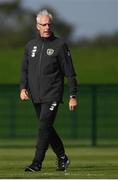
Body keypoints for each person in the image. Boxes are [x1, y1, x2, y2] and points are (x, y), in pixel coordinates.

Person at [20, 9, 78, 172]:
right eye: (43, 24)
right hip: (36, 96)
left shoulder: (60, 45)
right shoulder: (30, 45)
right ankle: (62, 157)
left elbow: (71, 73)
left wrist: (72, 95)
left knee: (43, 127)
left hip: (52, 94)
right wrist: (23, 87)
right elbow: (24, 69)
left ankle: (37, 163)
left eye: (49, 24)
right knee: (46, 128)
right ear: (37, 26)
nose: (46, 27)